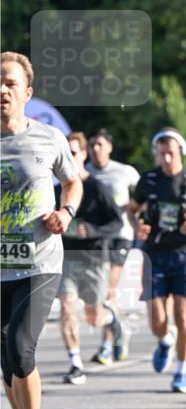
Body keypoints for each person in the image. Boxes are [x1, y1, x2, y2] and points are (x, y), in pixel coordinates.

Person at [1, 51, 82, 409]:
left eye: (10, 83)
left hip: (38, 263)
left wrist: (66, 210)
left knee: (20, 348)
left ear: (26, 93)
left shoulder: (48, 138)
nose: (2, 90)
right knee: (7, 363)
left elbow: (74, 179)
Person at [129, 128, 186, 393]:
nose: (166, 159)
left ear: (180, 152)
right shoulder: (148, 180)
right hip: (154, 255)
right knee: (157, 322)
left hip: (184, 256)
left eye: (170, 153)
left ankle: (181, 372)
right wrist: (137, 225)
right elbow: (132, 209)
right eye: (161, 154)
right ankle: (165, 339)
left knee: (183, 317)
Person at [58, 132, 123, 385]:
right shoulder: (57, 189)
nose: (69, 157)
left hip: (95, 258)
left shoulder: (98, 188)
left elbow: (117, 222)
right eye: (65, 153)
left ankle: (112, 319)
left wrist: (93, 231)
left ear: (84, 155)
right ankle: (76, 363)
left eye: (73, 152)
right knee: (66, 306)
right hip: (66, 258)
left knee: (94, 317)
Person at [86, 128, 140, 363]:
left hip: (120, 236)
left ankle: (106, 344)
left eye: (100, 144)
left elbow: (144, 200)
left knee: (109, 288)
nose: (95, 149)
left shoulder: (125, 172)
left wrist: (137, 215)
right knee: (99, 294)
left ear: (110, 146)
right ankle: (119, 330)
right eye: (92, 145)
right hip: (94, 239)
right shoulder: (83, 174)